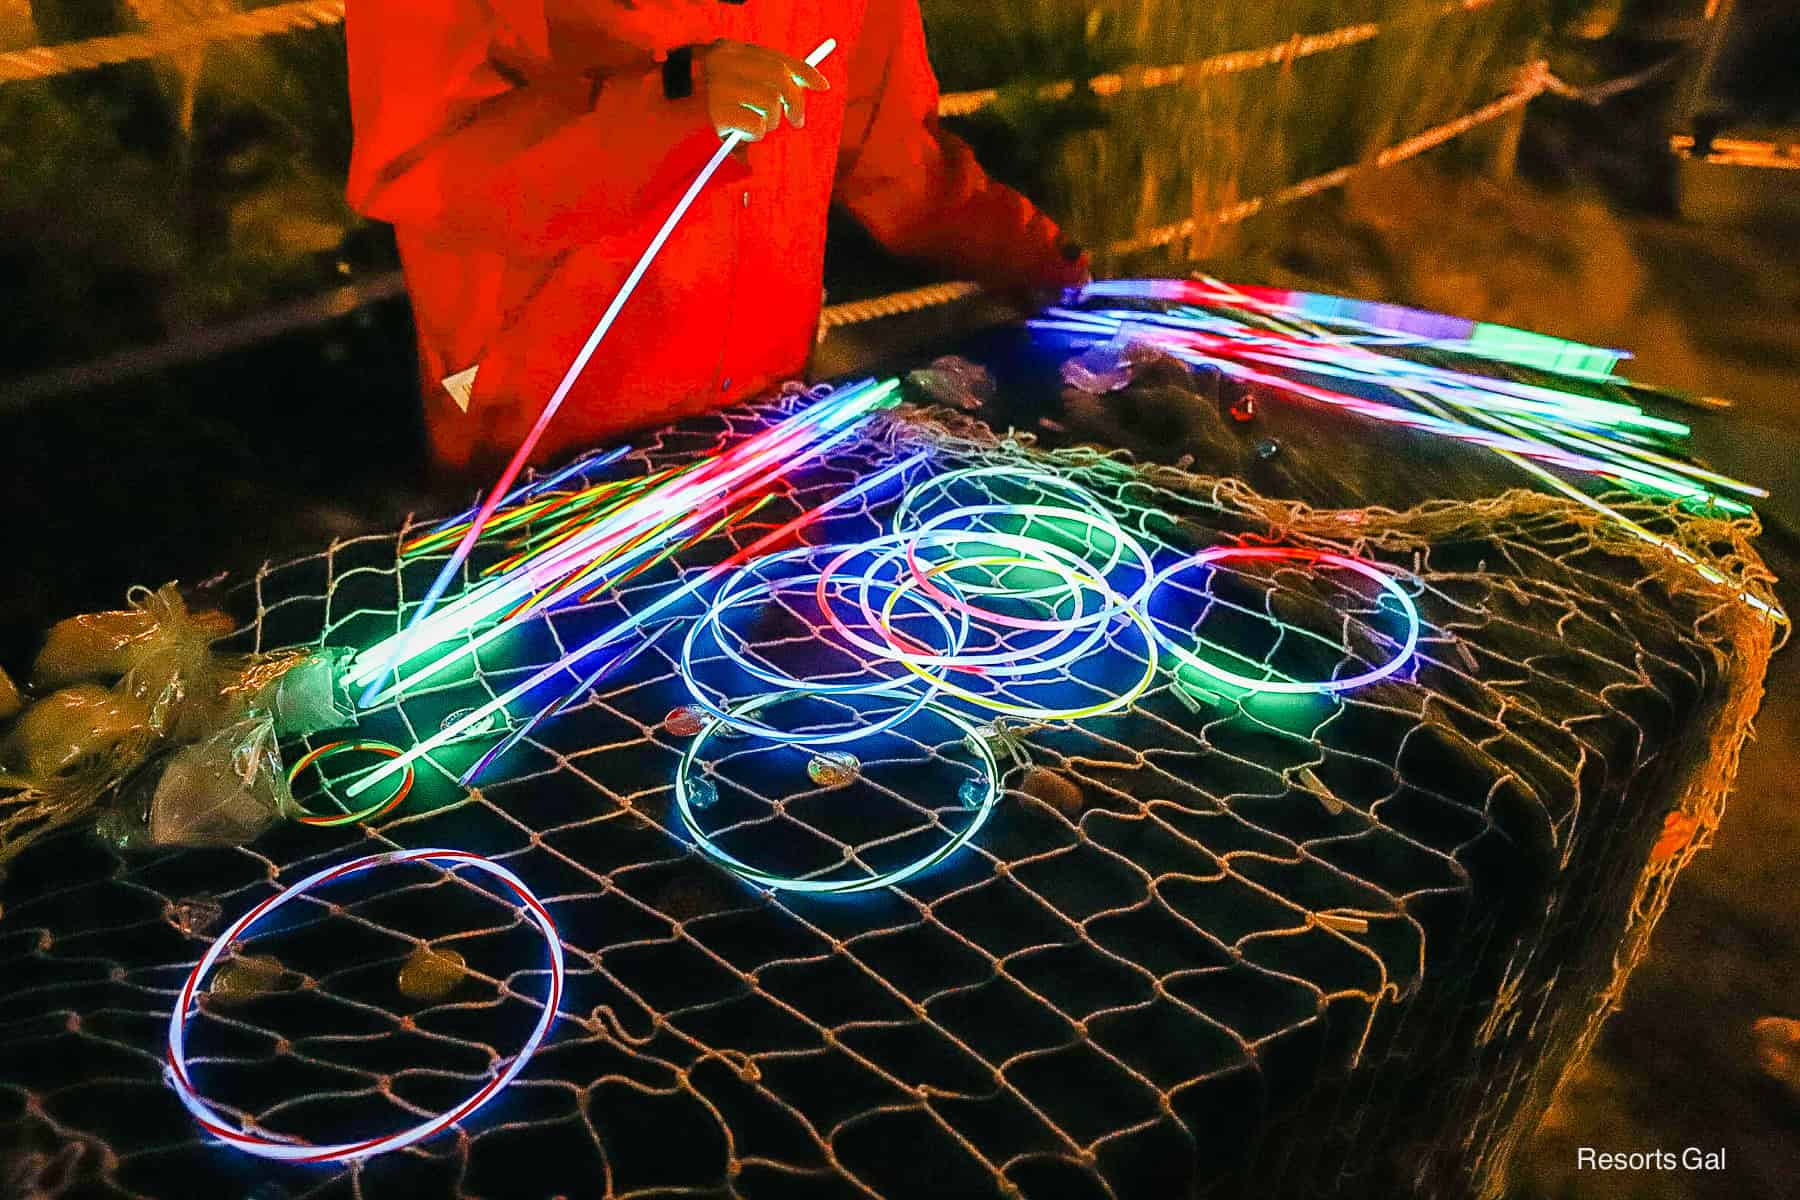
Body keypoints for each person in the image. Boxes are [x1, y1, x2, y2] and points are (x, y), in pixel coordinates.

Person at [344, 0, 1089, 474]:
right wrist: (673, 108)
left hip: (764, 419)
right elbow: (420, 161)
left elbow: (889, 150)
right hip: (551, 435)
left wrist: (1032, 254)